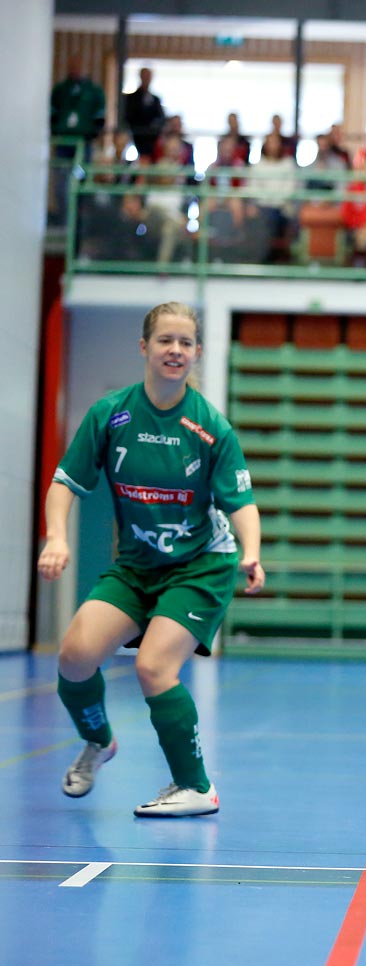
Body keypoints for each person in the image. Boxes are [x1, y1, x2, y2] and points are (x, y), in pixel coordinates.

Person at [37, 302, 264, 818]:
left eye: (185, 343)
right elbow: (64, 483)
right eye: (165, 340)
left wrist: (252, 553)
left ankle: (195, 787)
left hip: (200, 565)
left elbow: (241, 503)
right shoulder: (111, 414)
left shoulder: (211, 428)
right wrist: (56, 538)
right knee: (74, 658)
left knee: (153, 666)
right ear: (145, 347)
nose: (175, 351)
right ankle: (99, 742)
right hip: (137, 565)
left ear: (197, 353)